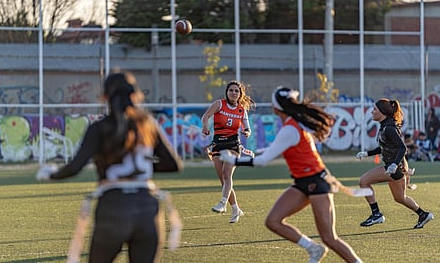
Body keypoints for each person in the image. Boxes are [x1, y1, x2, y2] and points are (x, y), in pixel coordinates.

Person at [36, 72, 184, 263]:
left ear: (105, 96)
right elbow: (173, 164)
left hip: (114, 208)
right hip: (147, 208)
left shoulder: (100, 128)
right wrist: (139, 171)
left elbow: (74, 167)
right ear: (135, 94)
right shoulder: (147, 124)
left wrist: (51, 174)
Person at [220, 87, 363, 263]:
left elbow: (263, 161)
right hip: (302, 182)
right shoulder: (291, 126)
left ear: (275, 108)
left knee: (329, 238)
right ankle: (313, 248)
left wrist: (234, 160)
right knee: (273, 221)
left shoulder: (290, 128)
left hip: (317, 182)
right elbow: (282, 150)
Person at [355, 98, 433, 229]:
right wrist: (367, 153)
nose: (372, 112)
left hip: (395, 167)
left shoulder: (389, 128)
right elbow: (385, 147)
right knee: (400, 198)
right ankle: (423, 214)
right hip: (396, 167)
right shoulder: (385, 126)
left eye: (375, 109)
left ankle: (376, 214)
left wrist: (394, 165)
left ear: (383, 112)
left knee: (363, 181)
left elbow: (403, 148)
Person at [201, 80, 255, 223]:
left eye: (236, 91)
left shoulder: (241, 110)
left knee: (227, 173)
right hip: (218, 144)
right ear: (227, 92)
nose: (233, 93)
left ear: (240, 94)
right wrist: (205, 127)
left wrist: (247, 132)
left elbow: (247, 127)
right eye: (231, 90)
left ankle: (223, 203)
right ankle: (236, 209)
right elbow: (205, 116)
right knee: (224, 180)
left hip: (233, 144)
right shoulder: (219, 104)